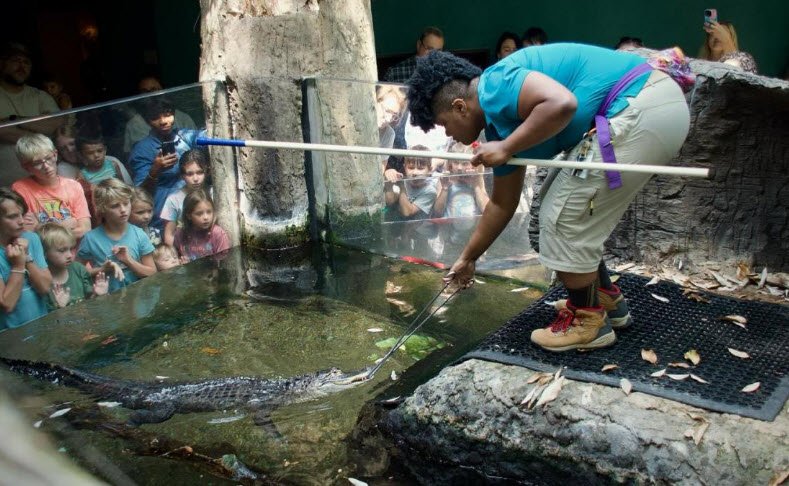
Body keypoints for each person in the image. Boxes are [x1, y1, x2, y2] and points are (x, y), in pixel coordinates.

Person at [406, 47, 690, 352]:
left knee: (562, 217)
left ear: (460, 106)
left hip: (639, 104)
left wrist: (507, 147)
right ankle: (604, 298)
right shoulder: (497, 131)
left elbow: (562, 103)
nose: (448, 134)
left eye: (444, 124)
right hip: (646, 109)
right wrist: (468, 258)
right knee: (551, 209)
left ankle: (588, 321)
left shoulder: (495, 86)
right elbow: (502, 203)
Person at [128, 97, 204, 230]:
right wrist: (155, 171)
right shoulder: (142, 150)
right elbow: (139, 195)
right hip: (165, 218)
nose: (163, 121)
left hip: (197, 211)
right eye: (155, 118)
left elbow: (202, 136)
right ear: (147, 121)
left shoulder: (182, 136)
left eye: (168, 115)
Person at [0, 42, 63, 187]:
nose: (22, 66)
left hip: (45, 180)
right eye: (16, 60)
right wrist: (39, 134)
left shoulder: (40, 96)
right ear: (2, 64)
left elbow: (55, 123)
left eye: (26, 62)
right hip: (6, 184)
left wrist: (15, 121)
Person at [77, 178, 156, 292]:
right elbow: (77, 272)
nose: (123, 210)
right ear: (102, 209)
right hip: (107, 299)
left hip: (139, 297)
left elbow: (152, 272)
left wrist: (129, 261)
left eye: (126, 203)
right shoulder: (90, 239)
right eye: (115, 206)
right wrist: (102, 269)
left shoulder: (139, 234)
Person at [11, 134, 91, 237]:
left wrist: (39, 226)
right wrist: (66, 224)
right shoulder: (20, 189)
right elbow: (28, 235)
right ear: (26, 167)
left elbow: (85, 230)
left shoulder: (73, 186)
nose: (46, 166)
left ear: (55, 155)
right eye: (37, 163)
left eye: (48, 158)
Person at [0, 187, 51, 330]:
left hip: (42, 327)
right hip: (11, 335)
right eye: (12, 216)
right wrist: (18, 266)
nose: (21, 221)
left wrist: (27, 258)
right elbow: (7, 304)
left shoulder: (31, 239)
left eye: (22, 214)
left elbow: (45, 288)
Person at [37, 222, 108, 310]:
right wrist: (60, 307)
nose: (70, 255)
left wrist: (97, 294)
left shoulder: (78, 269)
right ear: (44, 252)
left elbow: (90, 302)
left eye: (70, 249)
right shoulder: (42, 282)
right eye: (62, 250)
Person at [122, 75, 197, 154]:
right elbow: (130, 155)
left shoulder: (183, 118)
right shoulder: (133, 125)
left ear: (163, 91)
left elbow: (196, 141)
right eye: (145, 92)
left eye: (154, 90)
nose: (150, 95)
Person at [160, 149, 210, 247]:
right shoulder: (173, 200)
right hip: (185, 249)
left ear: (207, 172)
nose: (195, 179)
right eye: (190, 174)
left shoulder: (213, 193)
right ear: (182, 176)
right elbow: (169, 235)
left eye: (200, 172)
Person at [432, 141, 490, 221]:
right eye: (456, 162)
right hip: (449, 226)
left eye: (465, 164)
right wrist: (445, 188)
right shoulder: (446, 179)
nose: (459, 168)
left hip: (472, 226)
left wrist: (476, 186)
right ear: (451, 162)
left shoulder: (477, 178)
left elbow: (485, 210)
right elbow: (437, 213)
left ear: (473, 165)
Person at [173, 188, 230, 262]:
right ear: (189, 215)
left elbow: (224, 262)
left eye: (209, 212)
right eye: (199, 214)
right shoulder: (180, 235)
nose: (206, 217)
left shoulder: (217, 234)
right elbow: (175, 258)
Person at [384, 145, 437, 221]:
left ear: (430, 170)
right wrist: (388, 178)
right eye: (411, 168)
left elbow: (407, 212)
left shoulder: (430, 191)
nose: (415, 172)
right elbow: (390, 201)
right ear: (404, 167)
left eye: (420, 168)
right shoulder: (404, 181)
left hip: (417, 227)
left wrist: (402, 187)